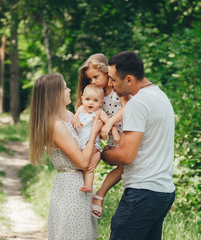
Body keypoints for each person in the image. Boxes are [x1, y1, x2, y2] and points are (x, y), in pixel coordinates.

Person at [100, 51, 176, 240]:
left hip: (143, 193)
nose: (110, 84)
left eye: (113, 79)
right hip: (163, 192)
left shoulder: (138, 103)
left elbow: (126, 156)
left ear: (128, 79)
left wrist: (105, 154)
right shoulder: (161, 97)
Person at [28, 73, 102, 240]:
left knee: (82, 233)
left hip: (80, 185)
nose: (69, 90)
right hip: (70, 188)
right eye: (64, 87)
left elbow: (86, 149)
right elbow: (83, 162)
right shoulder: (56, 126)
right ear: (55, 94)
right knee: (71, 234)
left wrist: (99, 154)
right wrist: (94, 132)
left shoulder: (69, 116)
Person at [76, 53, 129, 219]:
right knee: (119, 167)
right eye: (90, 79)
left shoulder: (117, 88)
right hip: (110, 137)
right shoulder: (94, 94)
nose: (92, 81)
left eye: (95, 77)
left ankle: (99, 195)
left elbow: (128, 107)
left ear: (107, 72)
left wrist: (109, 123)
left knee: (124, 168)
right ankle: (89, 194)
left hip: (126, 131)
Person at [72, 84, 120, 193]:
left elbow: (109, 123)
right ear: (82, 99)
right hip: (79, 144)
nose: (90, 103)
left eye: (95, 100)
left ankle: (88, 185)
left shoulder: (99, 113)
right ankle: (79, 185)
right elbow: (74, 118)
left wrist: (115, 134)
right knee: (80, 166)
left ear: (101, 102)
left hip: (92, 146)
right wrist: (76, 122)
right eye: (87, 99)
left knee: (89, 168)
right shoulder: (80, 109)